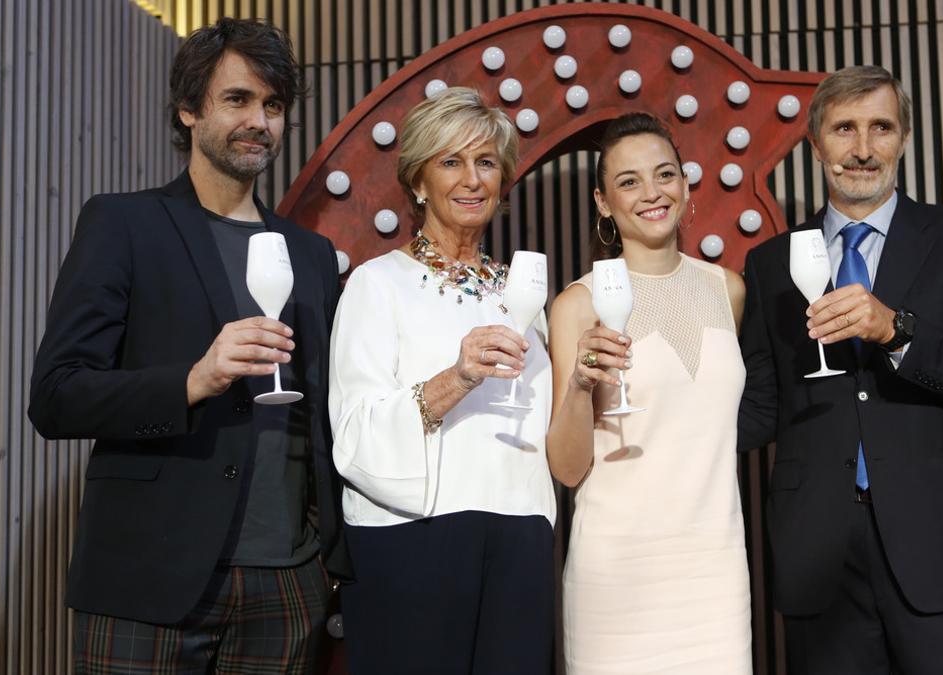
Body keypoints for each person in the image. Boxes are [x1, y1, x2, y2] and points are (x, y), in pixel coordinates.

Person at [28, 18, 347, 672]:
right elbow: (56, 396)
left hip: (287, 584)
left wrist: (324, 559)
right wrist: (193, 379)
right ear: (187, 109)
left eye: (274, 105)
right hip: (150, 577)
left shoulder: (311, 256)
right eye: (238, 99)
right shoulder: (124, 224)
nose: (260, 119)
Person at [737, 65, 943, 673]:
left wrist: (897, 330)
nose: (863, 150)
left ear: (903, 139)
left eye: (881, 128)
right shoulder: (769, 264)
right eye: (844, 129)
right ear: (816, 144)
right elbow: (761, 409)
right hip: (820, 552)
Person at [328, 86, 555, 674]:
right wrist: (455, 378)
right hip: (412, 540)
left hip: (520, 536)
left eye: (485, 163)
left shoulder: (524, 292)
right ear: (418, 182)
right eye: (450, 162)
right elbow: (352, 435)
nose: (472, 179)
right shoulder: (376, 284)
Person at [548, 112, 752, 674]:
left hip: (715, 572)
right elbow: (567, 469)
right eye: (629, 181)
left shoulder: (727, 289)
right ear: (603, 201)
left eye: (665, 174)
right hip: (618, 573)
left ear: (685, 185)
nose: (651, 193)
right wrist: (579, 386)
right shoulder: (577, 306)